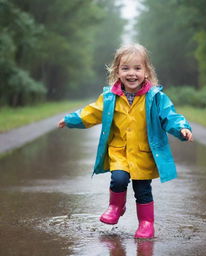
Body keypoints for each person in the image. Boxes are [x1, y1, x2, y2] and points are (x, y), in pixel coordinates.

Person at [58, 44, 193, 239]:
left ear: (146, 72)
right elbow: (92, 112)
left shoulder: (155, 98)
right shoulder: (110, 98)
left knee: (143, 189)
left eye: (137, 68)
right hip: (119, 151)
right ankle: (116, 206)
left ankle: (146, 223)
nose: (132, 74)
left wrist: (182, 128)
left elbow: (169, 116)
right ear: (117, 71)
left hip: (143, 153)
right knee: (119, 179)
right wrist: (71, 119)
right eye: (125, 68)